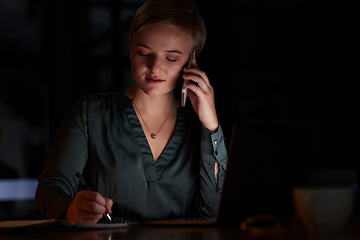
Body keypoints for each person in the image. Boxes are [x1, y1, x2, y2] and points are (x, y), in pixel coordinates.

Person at [36, 0, 227, 225]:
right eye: (144, 53)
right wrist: (71, 209)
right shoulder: (91, 114)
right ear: (130, 46)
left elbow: (215, 211)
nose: (155, 67)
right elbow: (50, 190)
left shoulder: (199, 128)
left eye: (171, 58)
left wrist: (210, 126)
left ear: (192, 60)